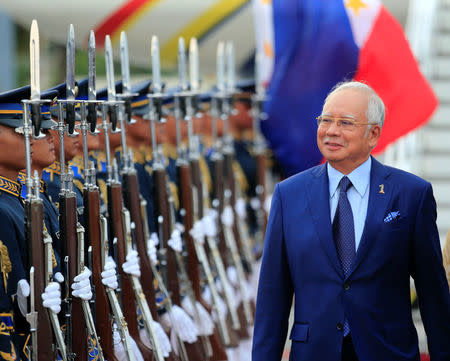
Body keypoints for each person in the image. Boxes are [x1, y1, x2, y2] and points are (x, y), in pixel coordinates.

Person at [252, 81, 450, 361]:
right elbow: (273, 295)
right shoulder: (289, 194)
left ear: (373, 134)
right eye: (326, 120)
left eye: (345, 123)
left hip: (388, 351)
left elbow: (433, 292)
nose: (331, 131)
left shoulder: (410, 194)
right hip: (314, 352)